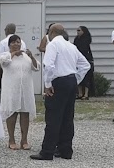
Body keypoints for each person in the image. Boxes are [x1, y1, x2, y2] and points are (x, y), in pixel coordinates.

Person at [31, 23, 87, 160]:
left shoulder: (53, 45)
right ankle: (65, 150)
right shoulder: (71, 46)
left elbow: (48, 65)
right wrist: (75, 80)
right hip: (71, 81)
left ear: (52, 32)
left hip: (58, 81)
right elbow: (85, 65)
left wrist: (48, 84)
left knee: (53, 117)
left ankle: (47, 151)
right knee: (68, 117)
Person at [0, 33, 39, 150]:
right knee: (12, 113)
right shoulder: (6, 55)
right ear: (9, 44)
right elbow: (4, 62)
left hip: (25, 90)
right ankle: (11, 139)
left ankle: (24, 140)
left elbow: (36, 67)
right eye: (14, 42)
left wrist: (31, 57)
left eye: (18, 42)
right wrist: (14, 53)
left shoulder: (26, 56)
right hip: (11, 90)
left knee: (25, 113)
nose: (16, 44)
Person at [73, 26, 95, 100]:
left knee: (87, 78)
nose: (77, 32)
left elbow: (85, 50)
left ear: (83, 31)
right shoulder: (76, 39)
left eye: (79, 30)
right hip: (77, 60)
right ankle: (79, 93)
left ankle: (86, 94)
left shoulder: (86, 39)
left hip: (87, 60)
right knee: (78, 76)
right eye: (77, 30)